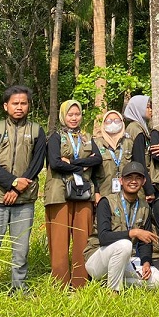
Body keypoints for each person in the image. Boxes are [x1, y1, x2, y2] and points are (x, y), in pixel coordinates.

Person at [0, 86, 46, 298]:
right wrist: (13, 183)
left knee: (20, 249)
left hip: (24, 200)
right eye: (15, 103)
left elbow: (37, 163)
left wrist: (18, 188)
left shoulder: (36, 131)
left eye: (23, 103)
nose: (19, 107)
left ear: (28, 106)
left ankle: (19, 289)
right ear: (6, 106)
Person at [43, 99, 102, 289]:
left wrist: (71, 162)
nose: (74, 118)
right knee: (59, 239)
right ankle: (60, 283)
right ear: (63, 116)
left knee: (82, 237)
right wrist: (84, 162)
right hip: (58, 192)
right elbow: (55, 163)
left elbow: (98, 159)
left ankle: (80, 282)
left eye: (77, 114)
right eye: (70, 114)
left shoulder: (87, 137)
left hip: (83, 192)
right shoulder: (54, 137)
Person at [84, 161, 159, 291]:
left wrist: (146, 263)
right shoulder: (107, 202)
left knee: (157, 279)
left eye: (138, 178)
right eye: (129, 178)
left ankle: (107, 284)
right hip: (98, 258)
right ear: (121, 180)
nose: (133, 181)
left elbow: (145, 242)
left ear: (143, 181)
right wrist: (133, 233)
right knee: (125, 244)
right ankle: (114, 292)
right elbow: (103, 237)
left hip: (126, 260)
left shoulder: (145, 207)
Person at [92, 109, 137, 201]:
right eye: (109, 121)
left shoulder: (129, 143)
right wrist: (96, 193)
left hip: (126, 193)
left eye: (117, 121)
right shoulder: (96, 143)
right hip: (104, 192)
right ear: (104, 124)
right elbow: (92, 172)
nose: (113, 124)